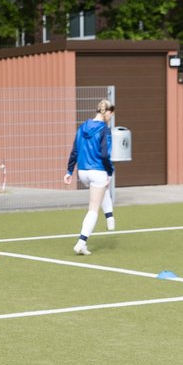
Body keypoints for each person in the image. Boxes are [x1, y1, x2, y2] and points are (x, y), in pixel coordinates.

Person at [63, 99, 117, 255]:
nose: (111, 118)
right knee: (93, 208)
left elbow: (74, 150)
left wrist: (68, 171)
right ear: (107, 113)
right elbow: (105, 155)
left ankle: (110, 218)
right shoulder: (104, 130)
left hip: (83, 172)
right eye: (111, 115)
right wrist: (109, 171)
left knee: (102, 188)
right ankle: (81, 242)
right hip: (97, 170)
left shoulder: (82, 127)